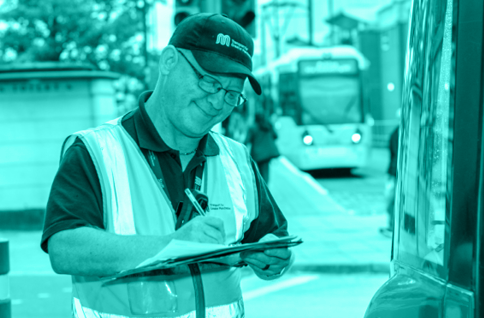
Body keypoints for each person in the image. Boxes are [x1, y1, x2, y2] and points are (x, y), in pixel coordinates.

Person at [41, 13, 293, 318]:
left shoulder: (238, 159)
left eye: (231, 94)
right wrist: (173, 245)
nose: (217, 103)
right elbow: (65, 249)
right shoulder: (95, 151)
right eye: (209, 81)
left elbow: (272, 237)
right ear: (169, 61)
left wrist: (273, 258)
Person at [246, 110, 280, 183]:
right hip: (268, 153)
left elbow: (247, 140)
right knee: (265, 171)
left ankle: (262, 188)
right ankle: (264, 187)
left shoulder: (253, 128)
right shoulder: (268, 125)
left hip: (257, 154)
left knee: (258, 171)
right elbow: (275, 136)